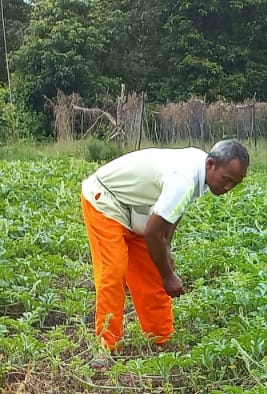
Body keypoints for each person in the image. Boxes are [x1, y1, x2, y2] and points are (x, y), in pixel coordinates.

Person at [80, 139, 250, 352]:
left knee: (152, 273)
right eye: (226, 180)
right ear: (211, 165)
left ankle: (161, 339)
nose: (228, 188)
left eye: (235, 183)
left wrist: (166, 250)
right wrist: (169, 275)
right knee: (113, 273)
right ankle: (107, 346)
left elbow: (174, 211)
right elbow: (153, 233)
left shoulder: (201, 168)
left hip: (137, 209)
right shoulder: (184, 178)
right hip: (105, 200)